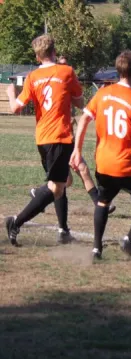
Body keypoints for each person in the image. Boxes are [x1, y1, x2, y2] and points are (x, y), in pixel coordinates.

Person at [70, 50, 131, 264]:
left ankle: (96, 249)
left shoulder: (102, 94)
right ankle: (129, 239)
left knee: (102, 201)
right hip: (126, 165)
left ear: (118, 70)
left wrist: (77, 151)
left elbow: (83, 120)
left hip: (104, 163)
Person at [4, 34, 83, 246]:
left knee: (62, 182)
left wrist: (11, 93)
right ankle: (16, 221)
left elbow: (15, 107)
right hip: (60, 136)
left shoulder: (32, 77)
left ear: (38, 57)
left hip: (43, 137)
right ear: (54, 51)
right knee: (56, 187)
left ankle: (63, 230)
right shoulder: (66, 71)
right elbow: (79, 101)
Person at [36, 55, 116, 215]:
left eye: (67, 64)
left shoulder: (66, 84)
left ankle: (99, 204)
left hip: (65, 138)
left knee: (78, 173)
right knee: (69, 178)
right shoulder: (56, 83)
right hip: (56, 139)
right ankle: (39, 195)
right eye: (63, 65)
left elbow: (80, 107)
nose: (66, 67)